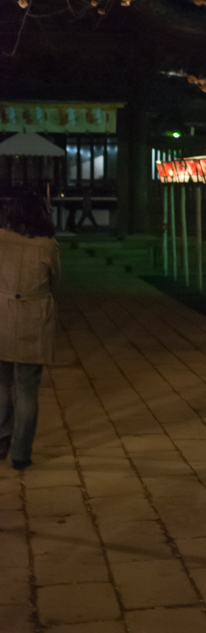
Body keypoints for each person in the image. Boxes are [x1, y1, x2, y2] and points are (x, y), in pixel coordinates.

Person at [0, 192, 60, 470]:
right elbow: (55, 280)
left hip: (2, 315)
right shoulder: (48, 246)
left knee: (1, 383)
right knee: (27, 389)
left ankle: (2, 436)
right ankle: (21, 452)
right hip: (33, 319)